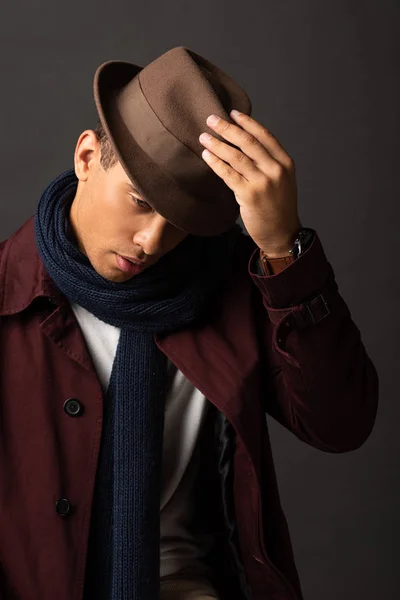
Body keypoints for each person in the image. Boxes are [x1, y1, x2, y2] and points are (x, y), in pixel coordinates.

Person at [0, 46, 379, 600]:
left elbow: (340, 424)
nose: (152, 242)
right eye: (139, 201)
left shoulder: (233, 288)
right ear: (86, 157)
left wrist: (283, 250)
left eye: (179, 223)